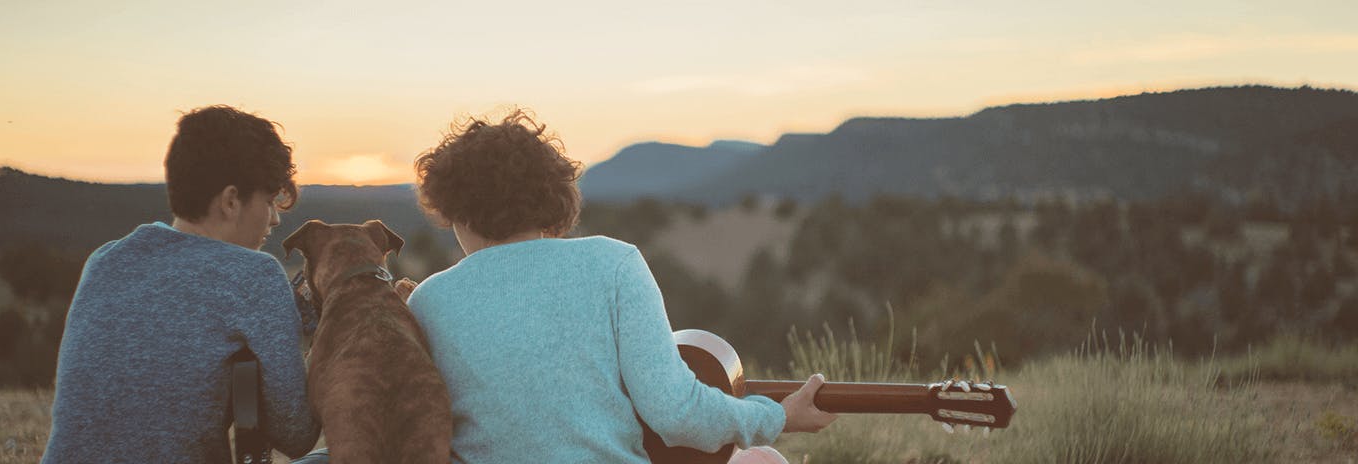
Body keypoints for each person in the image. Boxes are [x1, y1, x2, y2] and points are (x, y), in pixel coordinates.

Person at [405, 109, 837, 463]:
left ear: (456, 208)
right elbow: (677, 412)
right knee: (762, 460)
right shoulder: (612, 263)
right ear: (549, 196)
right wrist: (778, 416)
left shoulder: (428, 300)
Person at [41, 106, 319, 463]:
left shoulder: (105, 261)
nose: (276, 218)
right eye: (269, 202)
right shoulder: (254, 274)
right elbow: (297, 435)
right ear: (231, 201)